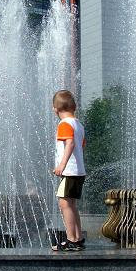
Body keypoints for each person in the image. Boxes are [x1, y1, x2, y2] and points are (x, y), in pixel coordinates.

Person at [51, 89, 87, 251]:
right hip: (78, 171)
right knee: (71, 204)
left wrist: (62, 165)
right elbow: (81, 145)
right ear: (74, 107)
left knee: (64, 203)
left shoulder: (64, 124)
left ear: (55, 109)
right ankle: (78, 238)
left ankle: (71, 239)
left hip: (70, 171)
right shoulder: (78, 124)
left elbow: (70, 144)